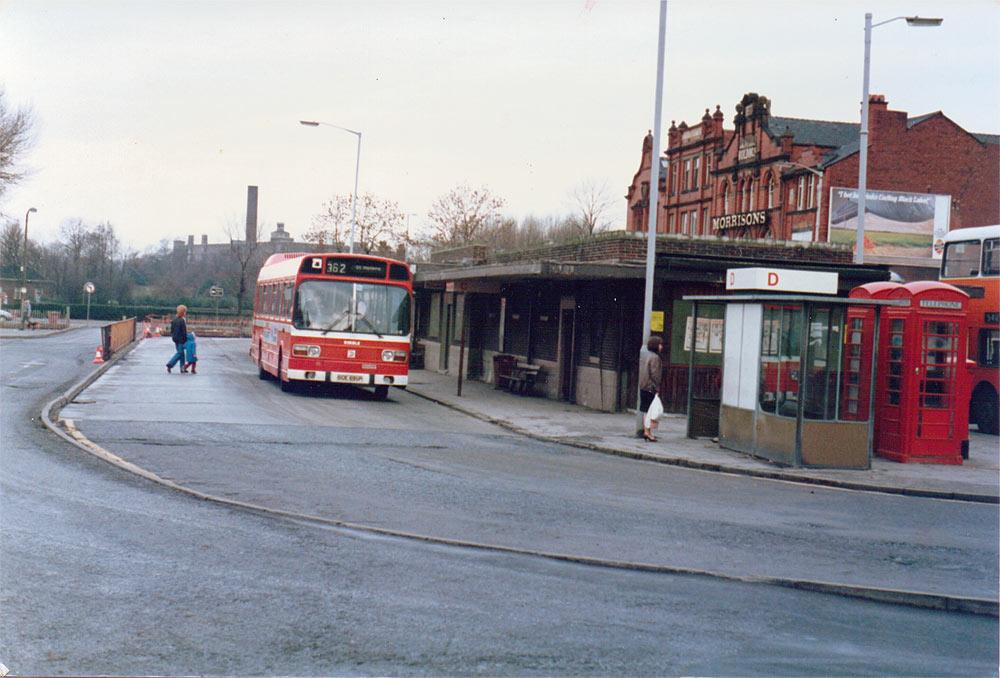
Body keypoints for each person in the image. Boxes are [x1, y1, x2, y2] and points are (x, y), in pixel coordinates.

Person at [638, 335, 664, 442]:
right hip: (650, 387)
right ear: (656, 345)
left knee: (645, 410)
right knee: (649, 410)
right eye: (660, 344)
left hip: (643, 386)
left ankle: (646, 430)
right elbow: (655, 374)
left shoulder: (645, 355)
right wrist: (657, 386)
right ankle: (647, 432)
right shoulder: (655, 358)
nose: (661, 347)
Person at [166, 305, 188, 373]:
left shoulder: (174, 320)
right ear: (183, 312)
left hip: (175, 339)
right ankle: (170, 364)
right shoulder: (182, 320)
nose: (185, 313)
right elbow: (184, 331)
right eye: (185, 312)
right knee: (180, 353)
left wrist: (173, 336)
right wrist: (185, 339)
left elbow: (172, 330)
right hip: (181, 339)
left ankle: (183, 368)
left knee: (182, 354)